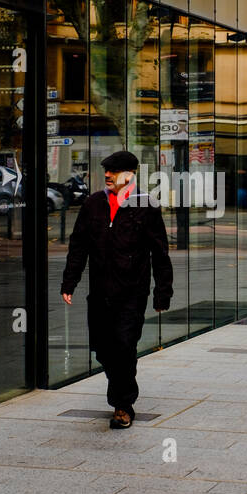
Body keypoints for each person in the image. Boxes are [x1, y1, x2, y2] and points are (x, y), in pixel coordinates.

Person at [61, 150, 173, 429]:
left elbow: (160, 253)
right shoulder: (93, 204)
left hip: (132, 292)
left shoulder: (146, 205)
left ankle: (123, 405)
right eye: (106, 170)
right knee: (102, 350)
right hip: (100, 292)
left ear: (129, 175)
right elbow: (78, 247)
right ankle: (121, 390)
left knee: (124, 346)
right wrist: (69, 282)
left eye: (113, 171)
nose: (107, 175)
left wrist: (162, 293)